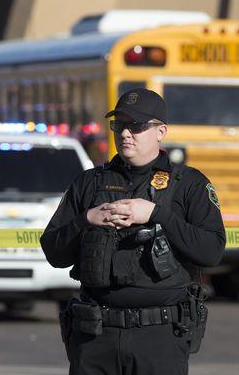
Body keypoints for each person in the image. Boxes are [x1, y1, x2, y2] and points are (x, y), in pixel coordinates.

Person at [41, 88, 226, 375]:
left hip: (160, 336)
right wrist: (87, 219)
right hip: (95, 336)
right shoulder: (89, 183)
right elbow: (53, 251)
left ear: (161, 131)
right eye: (120, 125)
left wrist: (156, 214)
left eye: (137, 126)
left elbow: (211, 251)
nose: (126, 133)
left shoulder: (189, 184)